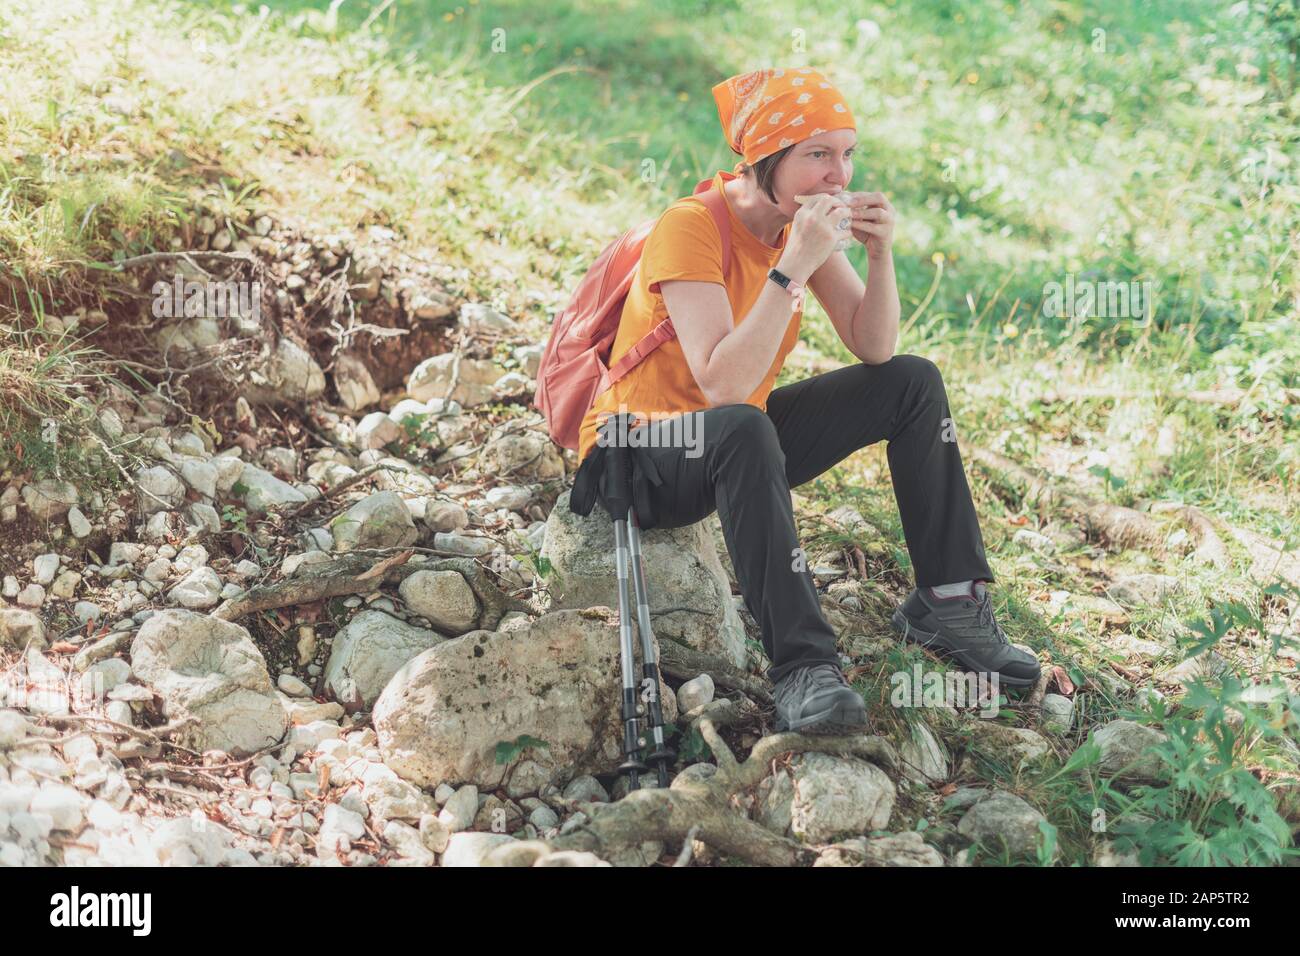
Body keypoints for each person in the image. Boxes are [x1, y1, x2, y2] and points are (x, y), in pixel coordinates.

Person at [571, 67, 1040, 736]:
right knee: (741, 424)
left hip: (734, 441)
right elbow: (722, 385)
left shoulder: (798, 230)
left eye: (847, 153)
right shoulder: (691, 227)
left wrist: (880, 257)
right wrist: (793, 266)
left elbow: (872, 347)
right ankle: (803, 669)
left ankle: (947, 602)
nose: (839, 175)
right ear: (766, 160)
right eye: (817, 155)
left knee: (912, 381)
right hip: (640, 453)